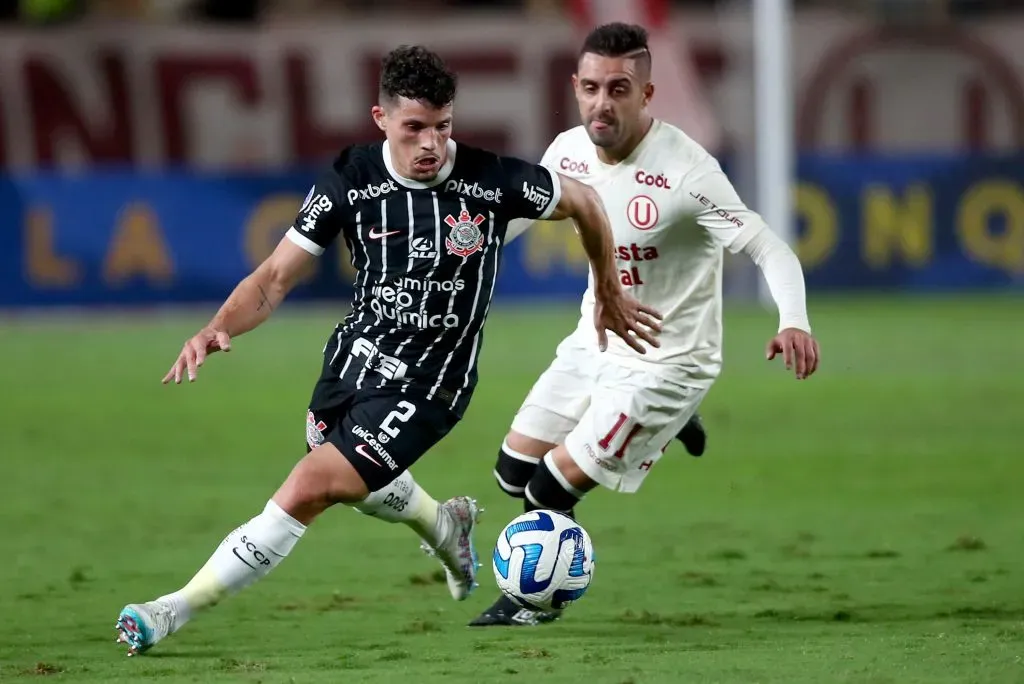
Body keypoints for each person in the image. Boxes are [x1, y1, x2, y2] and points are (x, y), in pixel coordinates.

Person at [114, 44, 662, 656]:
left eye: (443, 126)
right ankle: (442, 523)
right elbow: (273, 278)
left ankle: (169, 611)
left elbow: (585, 200)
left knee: (310, 486)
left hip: (432, 383)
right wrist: (218, 326)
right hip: (355, 356)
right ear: (382, 120)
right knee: (345, 476)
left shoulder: (490, 179)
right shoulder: (352, 176)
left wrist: (609, 291)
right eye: (415, 128)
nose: (432, 143)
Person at [469, 23, 821, 627]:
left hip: (669, 360)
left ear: (646, 94)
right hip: (596, 339)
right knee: (512, 474)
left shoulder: (687, 172)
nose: (601, 103)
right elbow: (509, 226)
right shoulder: (567, 152)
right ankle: (665, 431)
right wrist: (456, 248)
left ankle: (532, 602)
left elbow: (770, 248)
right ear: (575, 88)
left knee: (549, 491)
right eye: (589, 88)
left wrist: (794, 321)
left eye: (618, 89)